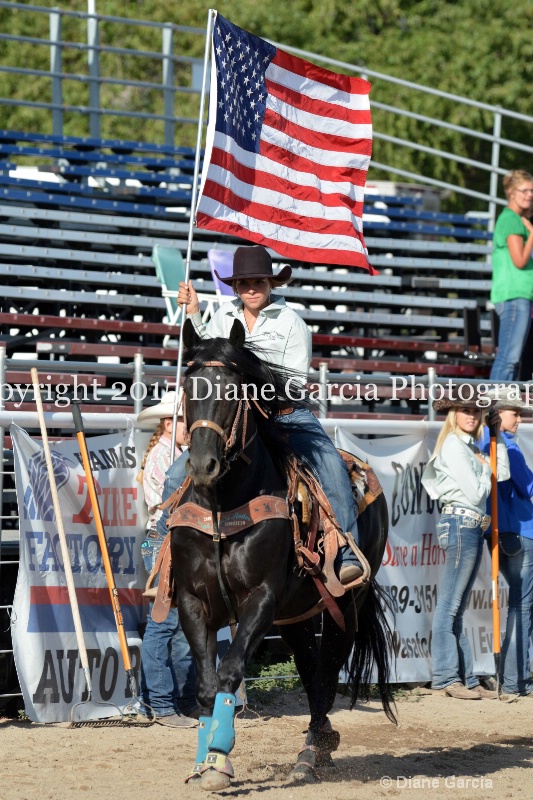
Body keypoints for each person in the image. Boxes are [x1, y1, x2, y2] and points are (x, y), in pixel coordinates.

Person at [159, 244, 361, 582]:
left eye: (258, 282)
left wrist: (251, 388)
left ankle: (348, 549)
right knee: (176, 476)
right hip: (237, 417)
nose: (252, 288)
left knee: (330, 464)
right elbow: (209, 356)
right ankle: (163, 548)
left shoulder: (292, 323)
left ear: (271, 284)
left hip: (285, 414)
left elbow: (295, 382)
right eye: (245, 283)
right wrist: (193, 313)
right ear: (235, 287)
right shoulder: (223, 316)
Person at [422, 389, 510, 700]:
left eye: (476, 411)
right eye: (465, 410)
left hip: (468, 526)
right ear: (454, 414)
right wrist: (485, 464)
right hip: (461, 524)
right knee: (450, 606)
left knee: (456, 607)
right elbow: (477, 494)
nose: (471, 415)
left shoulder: (468, 446)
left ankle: (467, 678)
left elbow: (504, 474)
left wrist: (495, 436)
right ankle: (447, 677)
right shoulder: (455, 448)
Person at [137, 390, 198, 727]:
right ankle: (163, 704)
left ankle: (175, 702)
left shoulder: (172, 454)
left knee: (180, 623)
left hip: (174, 540)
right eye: (184, 420)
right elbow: (171, 505)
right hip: (166, 540)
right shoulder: (167, 458)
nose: (189, 426)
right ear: (167, 423)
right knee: (166, 623)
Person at [482, 388, 533, 698]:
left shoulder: (482, 443)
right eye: (516, 412)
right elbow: (529, 486)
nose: (520, 418)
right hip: (520, 530)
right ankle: (516, 680)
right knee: (522, 605)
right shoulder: (509, 448)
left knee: (518, 604)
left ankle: (512, 677)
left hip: (498, 532)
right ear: (499, 414)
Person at [489, 169, 533, 382]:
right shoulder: (510, 219)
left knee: (511, 359)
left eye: (532, 190)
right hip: (514, 297)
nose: (529, 195)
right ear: (511, 192)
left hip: (518, 296)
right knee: (508, 359)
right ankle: (494, 410)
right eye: (524, 190)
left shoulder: (517, 219)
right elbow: (520, 260)